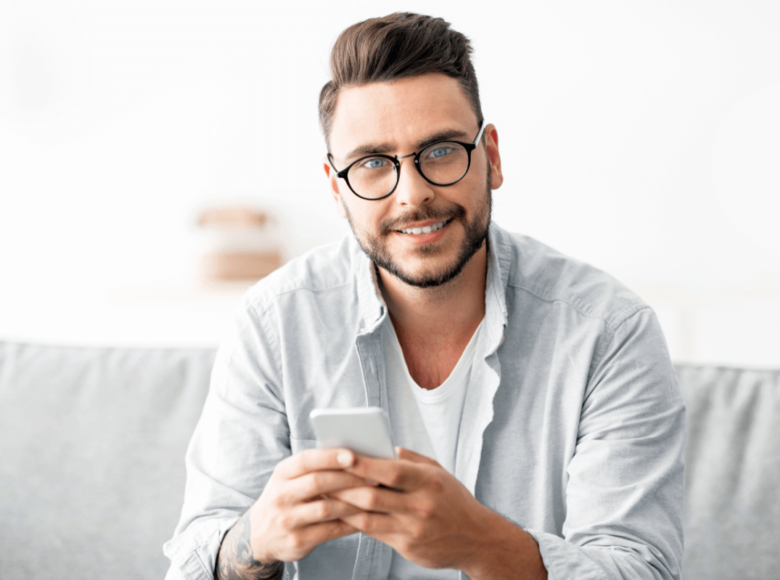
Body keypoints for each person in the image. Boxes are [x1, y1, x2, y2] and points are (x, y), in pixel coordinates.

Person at [164, 12, 685, 580]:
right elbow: (194, 560)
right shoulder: (273, 323)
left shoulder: (609, 330)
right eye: (372, 164)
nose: (412, 196)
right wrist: (256, 539)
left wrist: (482, 543)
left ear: (491, 156)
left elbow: (640, 570)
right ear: (337, 189)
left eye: (439, 152)